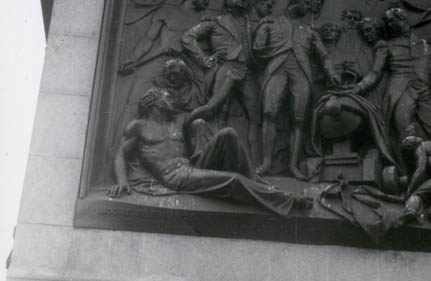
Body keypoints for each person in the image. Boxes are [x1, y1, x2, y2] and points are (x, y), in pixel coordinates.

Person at [109, 87, 311, 216]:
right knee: (234, 180)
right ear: (155, 102)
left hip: (192, 167)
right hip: (175, 176)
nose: (172, 100)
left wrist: (228, 84)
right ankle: (287, 201)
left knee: (228, 133)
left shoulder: (178, 121)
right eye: (167, 97)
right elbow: (120, 154)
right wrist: (122, 182)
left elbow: (205, 111)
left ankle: (257, 183)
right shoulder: (139, 126)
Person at [252, 0, 337, 178]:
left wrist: (332, 73)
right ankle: (266, 162)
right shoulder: (271, 22)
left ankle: (293, 165)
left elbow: (324, 56)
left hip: (301, 73)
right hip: (277, 69)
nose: (309, 7)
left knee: (299, 120)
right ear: (293, 2)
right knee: (269, 111)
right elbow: (257, 49)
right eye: (305, 2)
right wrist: (263, 31)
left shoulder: (309, 31)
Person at [355, 6, 431, 169]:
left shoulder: (426, 43)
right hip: (400, 91)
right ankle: (407, 171)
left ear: (402, 19)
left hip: (425, 90)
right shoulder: (385, 46)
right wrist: (358, 88)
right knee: (403, 131)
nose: (389, 24)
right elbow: (375, 73)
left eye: (391, 20)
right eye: (387, 22)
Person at [182, 0, 261, 161]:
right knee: (218, 112)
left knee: (255, 117)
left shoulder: (250, 23)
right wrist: (204, 59)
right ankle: (216, 156)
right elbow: (188, 37)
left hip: (247, 71)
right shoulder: (215, 22)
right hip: (226, 68)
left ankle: (255, 162)